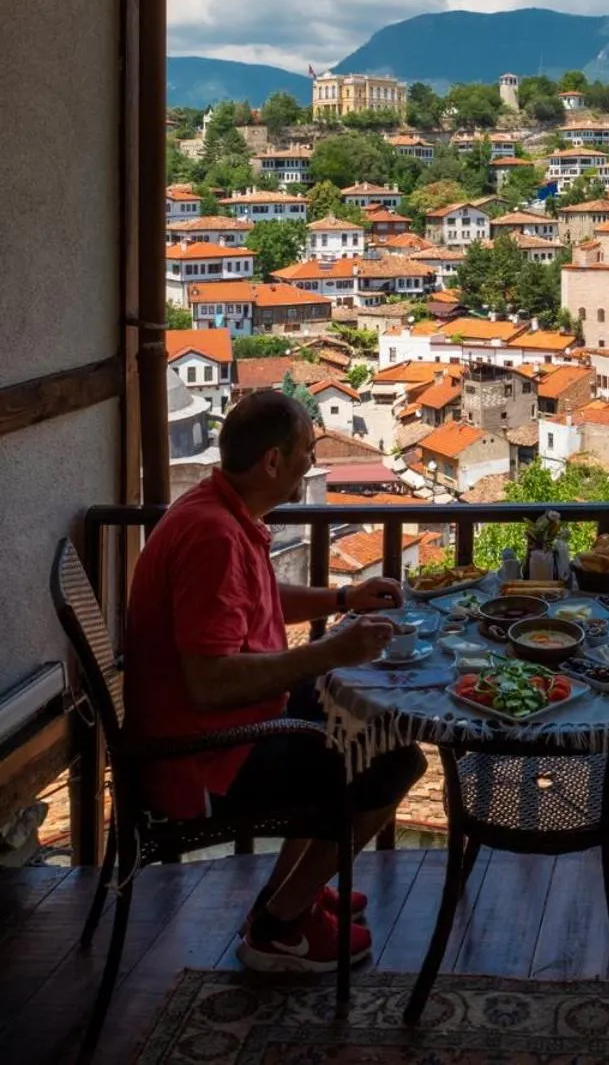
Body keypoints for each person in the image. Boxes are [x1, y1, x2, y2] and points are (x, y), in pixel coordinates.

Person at [124, 389, 426, 974]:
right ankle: (281, 927)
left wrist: (342, 597)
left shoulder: (217, 512)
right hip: (201, 758)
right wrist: (329, 650)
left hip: (224, 730)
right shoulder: (212, 536)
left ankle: (297, 893)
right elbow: (209, 684)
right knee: (392, 761)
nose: (310, 463)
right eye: (306, 452)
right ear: (272, 461)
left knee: (367, 721)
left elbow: (253, 600)